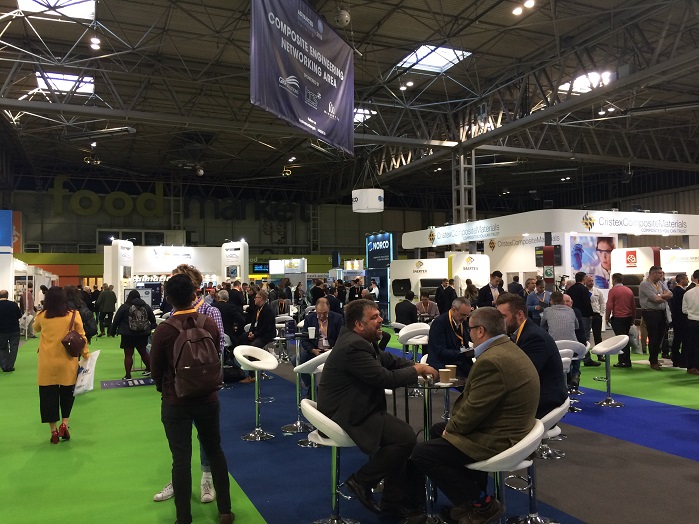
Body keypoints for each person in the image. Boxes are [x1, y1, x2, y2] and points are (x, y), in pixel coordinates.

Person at [410, 307, 540, 524]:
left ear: (480, 331)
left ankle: (482, 503)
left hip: (501, 437)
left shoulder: (492, 361)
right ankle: (469, 502)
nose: (467, 333)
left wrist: (451, 429)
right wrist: (450, 428)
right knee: (436, 431)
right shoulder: (507, 348)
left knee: (421, 453)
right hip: (513, 428)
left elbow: (473, 411)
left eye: (469, 329)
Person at [317, 299, 438, 518]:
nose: (381, 319)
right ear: (359, 324)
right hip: (344, 412)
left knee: (402, 438)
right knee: (405, 438)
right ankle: (362, 481)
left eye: (379, 315)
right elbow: (385, 378)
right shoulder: (353, 346)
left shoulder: (362, 341)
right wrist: (417, 370)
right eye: (374, 317)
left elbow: (389, 361)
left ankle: (393, 504)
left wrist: (416, 365)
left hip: (356, 405)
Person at [150, 274, 234, 524]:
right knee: (215, 451)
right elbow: (215, 355)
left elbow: (156, 369)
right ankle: (225, 511)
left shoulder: (164, 330)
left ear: (168, 298)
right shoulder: (209, 324)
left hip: (176, 401)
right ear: (194, 295)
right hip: (208, 398)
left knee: (181, 459)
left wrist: (166, 389)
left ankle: (184, 517)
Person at [495, 293, 568, 419]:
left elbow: (523, 376)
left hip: (544, 403)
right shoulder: (523, 333)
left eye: (503, 317)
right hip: (537, 395)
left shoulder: (534, 337)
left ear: (519, 315)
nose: (499, 322)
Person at [34, 286, 90, 444]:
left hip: (47, 363)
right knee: (67, 394)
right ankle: (64, 423)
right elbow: (82, 336)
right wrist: (86, 355)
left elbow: (35, 328)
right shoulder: (73, 314)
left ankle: (53, 431)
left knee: (48, 396)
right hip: (67, 361)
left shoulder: (42, 315)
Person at [109, 289, 155, 380]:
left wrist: (113, 331)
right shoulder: (146, 306)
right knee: (143, 352)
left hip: (128, 334)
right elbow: (153, 320)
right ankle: (151, 370)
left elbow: (116, 320)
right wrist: (148, 328)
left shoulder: (125, 307)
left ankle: (128, 375)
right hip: (142, 334)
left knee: (128, 355)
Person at [297, 298, 343, 390]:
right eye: (319, 313)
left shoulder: (338, 318)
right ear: (315, 309)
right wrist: (312, 350)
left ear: (329, 308)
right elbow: (304, 339)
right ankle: (311, 387)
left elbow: (342, 338)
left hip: (332, 351)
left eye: (325, 313)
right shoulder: (310, 319)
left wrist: (333, 349)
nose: (322, 316)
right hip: (315, 350)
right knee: (296, 360)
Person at [427, 297, 474, 379]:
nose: (465, 318)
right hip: (442, 363)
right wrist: (462, 354)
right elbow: (440, 351)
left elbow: (467, 342)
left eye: (467, 315)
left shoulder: (463, 323)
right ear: (453, 310)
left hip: (459, 361)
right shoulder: (439, 323)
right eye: (462, 315)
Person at [639, 265, 673, 370]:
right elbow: (655, 299)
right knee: (653, 337)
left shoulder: (660, 283)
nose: (662, 275)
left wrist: (660, 296)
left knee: (660, 337)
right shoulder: (645, 284)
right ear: (654, 274)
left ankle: (654, 358)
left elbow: (670, 294)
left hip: (661, 313)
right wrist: (662, 296)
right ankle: (653, 361)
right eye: (660, 273)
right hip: (650, 313)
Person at [606, 273, 637, 368]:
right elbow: (633, 306)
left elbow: (609, 305)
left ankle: (623, 361)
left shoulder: (613, 291)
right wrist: (633, 318)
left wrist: (607, 317)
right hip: (628, 317)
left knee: (620, 340)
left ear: (614, 280)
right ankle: (626, 360)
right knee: (625, 338)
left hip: (618, 318)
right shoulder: (628, 290)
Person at [670, 272, 689, 368]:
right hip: (682, 319)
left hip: (676, 318)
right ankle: (682, 360)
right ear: (682, 280)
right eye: (686, 279)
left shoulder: (674, 291)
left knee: (677, 339)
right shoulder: (681, 292)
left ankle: (675, 358)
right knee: (684, 339)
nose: (688, 281)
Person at [0, 289, 22, 372]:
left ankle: (4, 365)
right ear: (7, 296)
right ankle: (10, 365)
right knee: (14, 348)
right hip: (14, 330)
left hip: (1, 331)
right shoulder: (13, 304)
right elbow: (19, 315)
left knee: (2, 348)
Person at [682, 275, 699, 376]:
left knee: (692, 345)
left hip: (691, 322)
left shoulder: (688, 293)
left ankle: (691, 367)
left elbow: (684, 310)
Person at [586, 275, 606, 349]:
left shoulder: (598, 291)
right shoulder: (583, 291)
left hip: (596, 315)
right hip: (587, 316)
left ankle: (599, 352)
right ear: (585, 281)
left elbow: (602, 303)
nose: (591, 282)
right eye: (589, 281)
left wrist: (601, 314)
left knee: (597, 335)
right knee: (586, 335)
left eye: (592, 281)